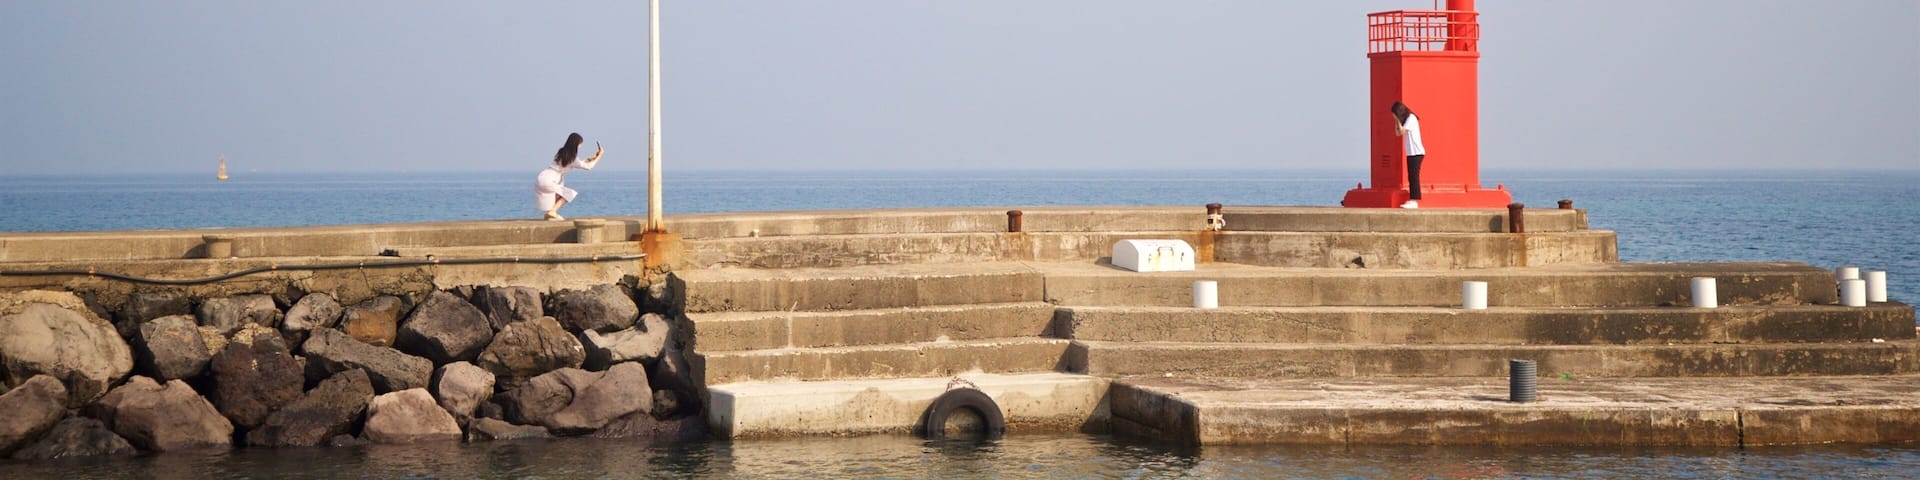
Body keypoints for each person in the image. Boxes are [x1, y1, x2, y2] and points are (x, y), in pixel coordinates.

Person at [534, 132, 605, 220]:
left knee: (557, 194)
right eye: (580, 144)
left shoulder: (561, 152)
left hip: (542, 177)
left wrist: (592, 157)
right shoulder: (573, 158)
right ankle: (552, 211)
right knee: (570, 194)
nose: (580, 146)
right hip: (550, 180)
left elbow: (578, 163)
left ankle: (550, 214)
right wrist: (600, 156)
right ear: (576, 144)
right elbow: (588, 167)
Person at [1391, 101, 1424, 209]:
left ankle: (1414, 200)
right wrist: (1397, 121)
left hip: (1416, 152)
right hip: (1411, 152)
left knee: (1414, 176)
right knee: (1412, 176)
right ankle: (1413, 199)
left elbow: (1401, 130)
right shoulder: (1406, 120)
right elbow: (1398, 133)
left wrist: (1397, 120)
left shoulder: (1411, 118)